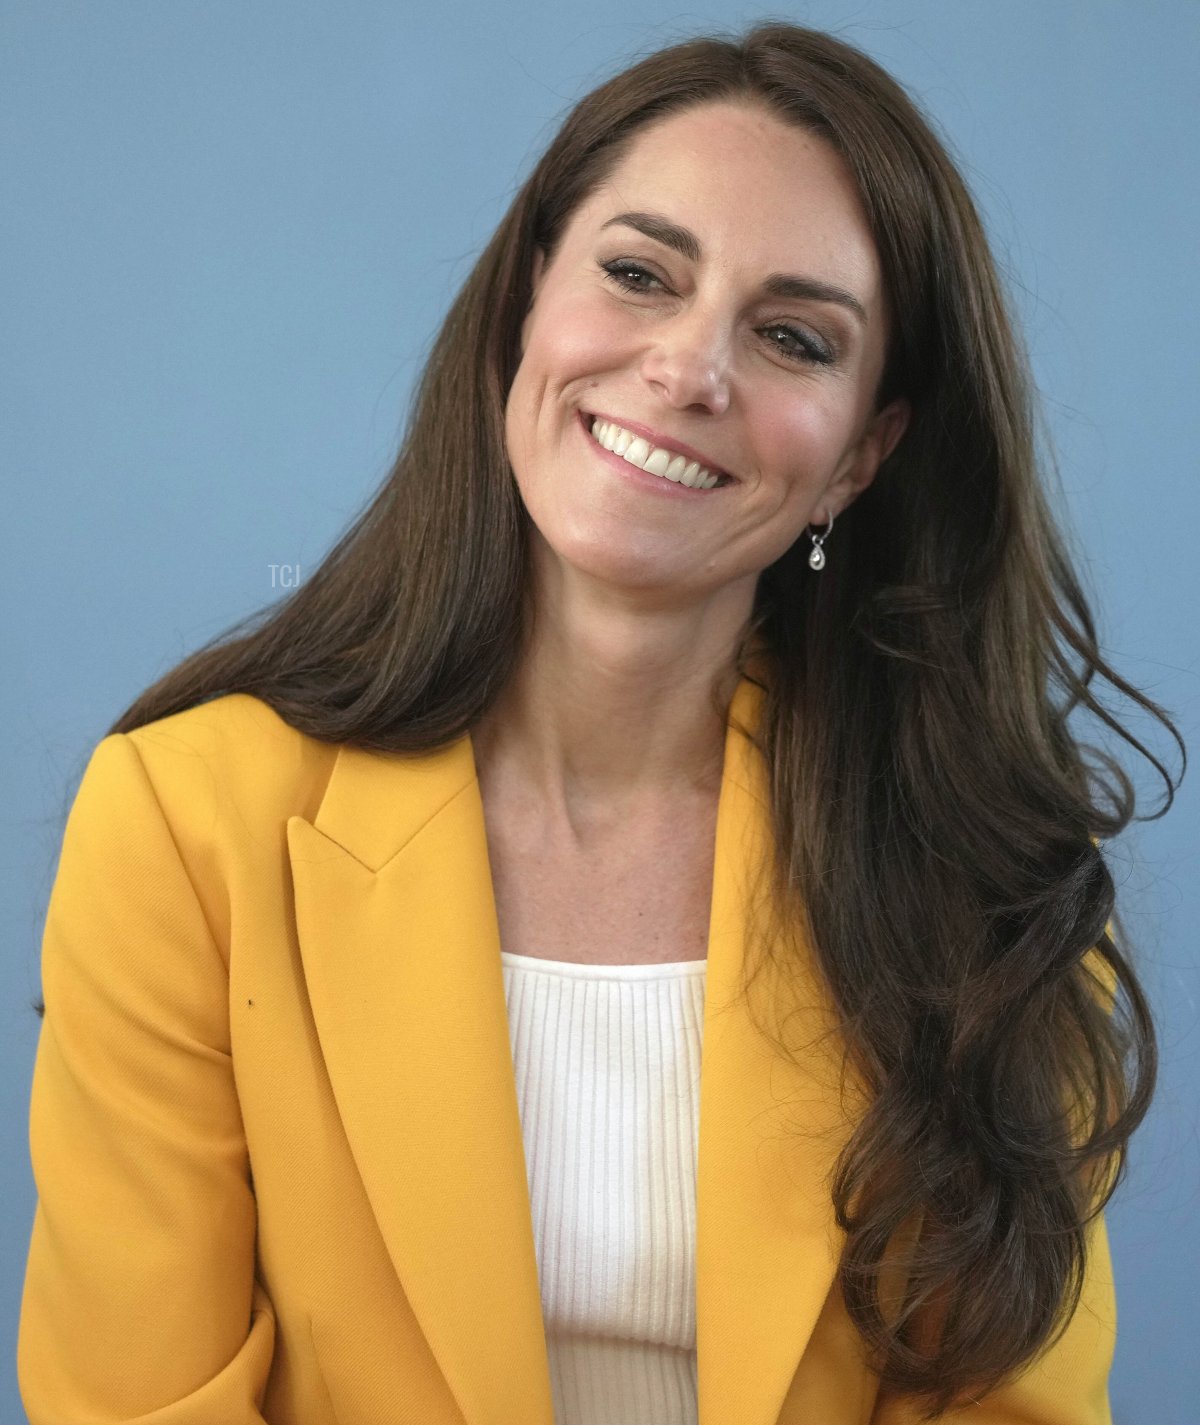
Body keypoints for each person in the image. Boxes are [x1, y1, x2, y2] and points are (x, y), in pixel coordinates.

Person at [18, 20, 1182, 1425]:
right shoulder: (185, 821)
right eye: (639, 273)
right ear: (526, 303)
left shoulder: (981, 882)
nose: (691, 369)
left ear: (862, 456)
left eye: (794, 336)